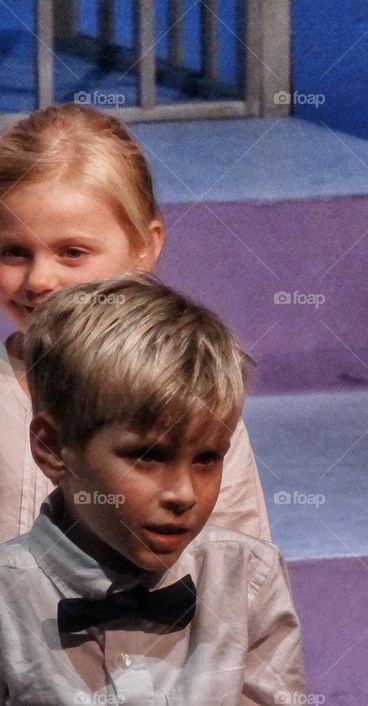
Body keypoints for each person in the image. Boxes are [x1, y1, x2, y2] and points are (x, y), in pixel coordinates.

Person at [0, 274, 304, 703]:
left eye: (207, 459)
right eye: (148, 457)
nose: (183, 494)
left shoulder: (249, 578)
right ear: (52, 448)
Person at [0, 104, 270, 541]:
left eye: (72, 252)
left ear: (146, 246)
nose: (39, 280)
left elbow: (241, 559)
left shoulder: (192, 392)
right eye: (14, 252)